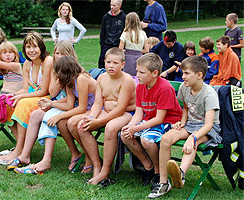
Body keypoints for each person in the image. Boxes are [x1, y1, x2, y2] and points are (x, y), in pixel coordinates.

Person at [148, 56, 222, 198]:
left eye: (187, 73)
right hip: (190, 124)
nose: (183, 77)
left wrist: (192, 137)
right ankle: (163, 183)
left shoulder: (209, 94)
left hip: (209, 129)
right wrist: (182, 121)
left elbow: (209, 125)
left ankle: (180, 174)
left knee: (191, 143)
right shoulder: (184, 88)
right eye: (182, 73)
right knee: (165, 139)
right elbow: (186, 108)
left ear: (199, 75)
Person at [9, 55, 96, 174]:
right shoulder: (70, 82)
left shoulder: (81, 79)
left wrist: (58, 115)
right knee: (60, 121)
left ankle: (90, 158)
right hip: (85, 109)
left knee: (67, 122)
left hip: (96, 109)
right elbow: (70, 105)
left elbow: (81, 107)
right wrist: (51, 104)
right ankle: (85, 155)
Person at [121, 53, 182, 187]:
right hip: (150, 120)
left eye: (142, 72)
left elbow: (160, 119)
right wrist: (130, 126)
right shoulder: (140, 86)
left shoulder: (164, 88)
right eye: (137, 70)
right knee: (124, 135)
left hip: (168, 122)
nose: (137, 74)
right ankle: (146, 165)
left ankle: (158, 169)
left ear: (155, 73)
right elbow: (139, 112)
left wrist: (135, 128)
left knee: (147, 140)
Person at [77, 47, 136, 185]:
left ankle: (105, 171)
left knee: (110, 128)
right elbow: (98, 103)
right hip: (109, 111)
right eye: (108, 62)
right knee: (82, 126)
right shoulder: (101, 78)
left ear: (123, 64)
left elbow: (120, 109)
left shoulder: (126, 80)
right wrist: (91, 118)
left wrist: (98, 122)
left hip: (128, 113)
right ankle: (96, 164)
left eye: (115, 63)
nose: (111, 66)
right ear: (104, 63)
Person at [0, 32, 53, 164]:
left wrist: (20, 97)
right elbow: (26, 89)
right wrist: (14, 95)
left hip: (47, 98)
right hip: (34, 95)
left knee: (22, 104)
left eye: (35, 46)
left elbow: (44, 90)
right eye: (28, 47)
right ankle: (20, 146)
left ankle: (20, 149)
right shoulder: (27, 64)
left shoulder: (48, 61)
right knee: (7, 102)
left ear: (41, 47)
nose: (31, 50)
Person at [98, 0, 126, 68]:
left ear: (119, 6)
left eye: (114, 5)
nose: (112, 7)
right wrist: (102, 44)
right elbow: (103, 31)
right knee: (102, 62)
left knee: (116, 63)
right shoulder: (106, 17)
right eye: (111, 5)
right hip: (106, 44)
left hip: (118, 45)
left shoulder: (124, 17)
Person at [119, 12, 148, 76]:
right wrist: (138, 51)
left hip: (128, 59)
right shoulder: (143, 34)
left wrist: (126, 51)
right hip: (139, 58)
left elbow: (120, 49)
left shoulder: (125, 34)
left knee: (127, 77)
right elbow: (146, 50)